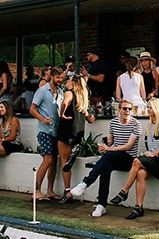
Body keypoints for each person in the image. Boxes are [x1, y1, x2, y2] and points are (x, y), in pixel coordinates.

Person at [69, 98, 142, 218]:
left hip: (129, 159)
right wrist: (104, 146)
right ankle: (101, 205)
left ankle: (85, 183)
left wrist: (109, 149)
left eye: (129, 109)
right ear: (119, 110)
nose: (127, 111)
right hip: (114, 156)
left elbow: (128, 147)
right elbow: (111, 141)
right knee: (105, 166)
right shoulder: (113, 122)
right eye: (125, 109)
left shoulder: (136, 124)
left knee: (108, 156)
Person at [109, 97, 159, 219]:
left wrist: (154, 154)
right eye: (148, 107)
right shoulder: (151, 125)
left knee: (136, 161)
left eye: (151, 107)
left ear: (157, 109)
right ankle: (139, 207)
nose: (148, 109)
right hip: (155, 160)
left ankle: (124, 191)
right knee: (140, 174)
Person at [58, 74, 95, 203]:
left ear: (73, 84)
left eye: (68, 80)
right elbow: (89, 118)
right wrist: (92, 117)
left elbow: (65, 102)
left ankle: (67, 191)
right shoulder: (82, 99)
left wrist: (61, 113)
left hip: (66, 129)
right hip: (78, 132)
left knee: (64, 162)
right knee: (68, 158)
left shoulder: (69, 93)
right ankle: (75, 152)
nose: (66, 82)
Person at [30, 66, 65, 200]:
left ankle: (50, 190)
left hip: (57, 131)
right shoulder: (42, 91)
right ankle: (37, 191)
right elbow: (32, 109)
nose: (60, 80)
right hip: (45, 131)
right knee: (48, 159)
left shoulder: (61, 92)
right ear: (52, 76)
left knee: (54, 161)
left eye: (62, 78)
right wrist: (42, 119)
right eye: (58, 77)